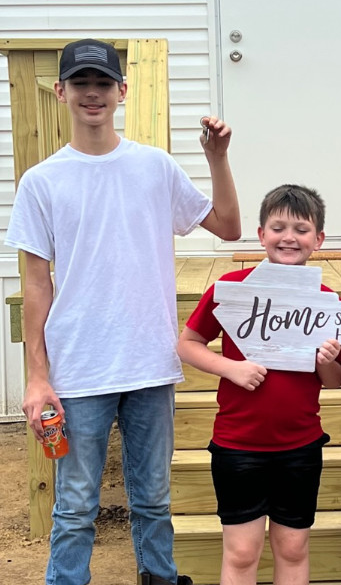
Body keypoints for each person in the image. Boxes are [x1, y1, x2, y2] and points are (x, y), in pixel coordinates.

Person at [6, 39, 241, 585]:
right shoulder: (41, 182)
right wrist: (38, 376)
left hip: (149, 361)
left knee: (154, 501)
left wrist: (217, 158)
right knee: (75, 507)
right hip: (79, 367)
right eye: (82, 83)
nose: (94, 93)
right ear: (60, 91)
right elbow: (37, 285)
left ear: (122, 92)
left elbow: (228, 228)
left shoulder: (154, 168)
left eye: (104, 83)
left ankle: (158, 578)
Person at [177, 184, 341, 585]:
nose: (289, 237)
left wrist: (327, 360)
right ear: (261, 233)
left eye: (301, 229)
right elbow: (187, 343)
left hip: (300, 445)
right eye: (278, 227)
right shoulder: (230, 289)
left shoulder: (325, 298)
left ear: (318, 240)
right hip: (238, 445)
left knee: (292, 549)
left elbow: (335, 380)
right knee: (241, 553)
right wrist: (230, 368)